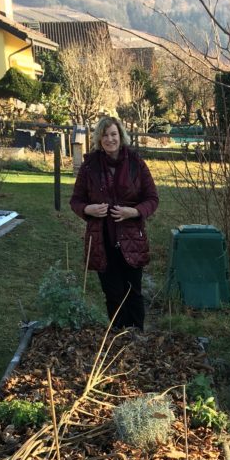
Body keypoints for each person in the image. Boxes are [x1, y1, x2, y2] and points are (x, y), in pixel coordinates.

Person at [70, 115, 159, 330]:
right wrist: (87, 209)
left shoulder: (136, 163)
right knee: (112, 294)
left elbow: (152, 198)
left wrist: (135, 211)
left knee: (133, 292)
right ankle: (117, 338)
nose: (110, 139)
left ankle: (137, 336)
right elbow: (76, 200)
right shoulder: (89, 166)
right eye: (105, 135)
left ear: (121, 136)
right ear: (99, 139)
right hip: (102, 239)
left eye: (113, 134)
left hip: (131, 239)